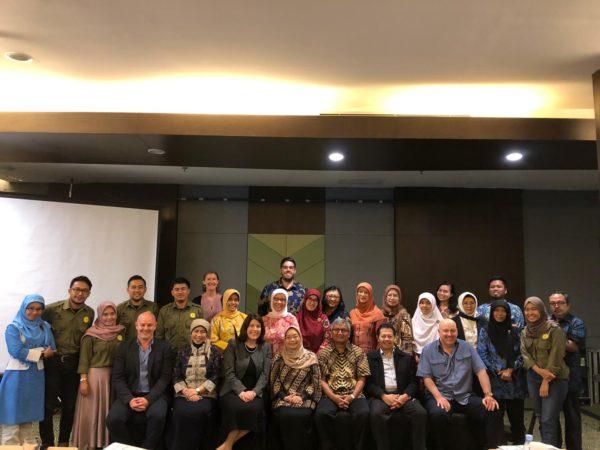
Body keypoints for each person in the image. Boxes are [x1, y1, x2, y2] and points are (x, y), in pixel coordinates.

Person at [417, 319, 503, 450]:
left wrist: (488, 395)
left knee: (492, 408)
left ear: (457, 331)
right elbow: (426, 378)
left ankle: (492, 447)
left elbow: (481, 371)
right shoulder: (428, 350)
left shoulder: (467, 347)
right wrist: (439, 397)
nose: (449, 334)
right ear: (439, 332)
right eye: (445, 331)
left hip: (465, 396)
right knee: (438, 414)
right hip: (440, 395)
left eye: (452, 331)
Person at [40, 275, 95, 447]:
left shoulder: (89, 313)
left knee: (70, 407)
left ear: (89, 293)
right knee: (47, 407)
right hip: (52, 363)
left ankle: (63, 443)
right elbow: (36, 326)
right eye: (76, 289)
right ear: (69, 290)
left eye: (84, 291)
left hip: (73, 364)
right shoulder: (51, 309)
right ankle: (48, 444)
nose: (80, 293)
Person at [106, 312, 173, 450]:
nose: (145, 328)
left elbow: (165, 378)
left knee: (158, 416)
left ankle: (147, 448)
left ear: (155, 326)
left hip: (155, 394)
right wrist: (130, 399)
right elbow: (118, 377)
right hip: (130, 394)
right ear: (136, 325)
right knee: (113, 419)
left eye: (149, 325)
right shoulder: (124, 347)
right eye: (142, 325)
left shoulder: (164, 347)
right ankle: (130, 448)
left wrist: (148, 399)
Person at [0, 295, 55, 445]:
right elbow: (16, 351)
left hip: (36, 377)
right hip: (16, 377)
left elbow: (52, 348)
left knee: (28, 422)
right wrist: (42, 353)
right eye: (30, 308)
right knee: (12, 421)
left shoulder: (44, 326)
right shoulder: (13, 328)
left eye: (39, 309)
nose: (34, 312)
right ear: (23, 308)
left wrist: (33, 352)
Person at [72, 301, 125, 450]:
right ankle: (90, 443)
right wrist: (83, 380)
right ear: (100, 316)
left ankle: (106, 443)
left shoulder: (121, 332)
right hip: (95, 378)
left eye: (112, 314)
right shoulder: (90, 334)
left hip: (114, 378)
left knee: (109, 412)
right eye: (105, 314)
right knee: (93, 413)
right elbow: (84, 359)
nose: (109, 317)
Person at [366, 323, 427, 450]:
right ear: (378, 338)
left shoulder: (406, 358)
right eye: (383, 336)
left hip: (403, 395)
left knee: (420, 413)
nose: (387, 339)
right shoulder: (369, 358)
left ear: (395, 338)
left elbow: (414, 382)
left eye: (390, 336)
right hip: (381, 396)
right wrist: (383, 396)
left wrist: (404, 396)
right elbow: (369, 384)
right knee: (376, 414)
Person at [315, 317, 370, 450]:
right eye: (336, 330)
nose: (340, 333)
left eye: (344, 330)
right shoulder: (323, 353)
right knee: (321, 415)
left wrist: (352, 396)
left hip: (354, 394)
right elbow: (322, 379)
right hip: (330, 394)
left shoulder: (358, 352)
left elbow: (362, 378)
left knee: (363, 414)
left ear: (349, 333)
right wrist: (334, 397)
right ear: (331, 332)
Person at [218, 314, 272, 450]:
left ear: (262, 329)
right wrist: (241, 391)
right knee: (236, 408)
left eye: (258, 326)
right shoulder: (233, 344)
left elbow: (265, 375)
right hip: (232, 389)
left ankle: (226, 446)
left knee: (255, 409)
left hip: (256, 390)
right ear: (245, 327)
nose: (255, 329)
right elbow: (229, 372)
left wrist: (254, 392)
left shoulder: (266, 346)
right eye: (251, 326)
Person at [521, 296, 569, 447]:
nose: (530, 313)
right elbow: (524, 354)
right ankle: (553, 446)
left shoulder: (554, 329)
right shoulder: (525, 331)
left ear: (541, 310)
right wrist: (538, 371)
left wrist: (545, 380)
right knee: (542, 417)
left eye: (534, 309)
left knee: (548, 419)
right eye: (527, 309)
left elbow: (557, 356)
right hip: (533, 377)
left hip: (555, 378)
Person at [477, 300, 526, 445]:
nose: (500, 314)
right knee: (495, 420)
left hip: (514, 381)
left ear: (508, 313)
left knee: (517, 419)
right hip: (495, 381)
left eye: (503, 311)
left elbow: (523, 353)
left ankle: (519, 445)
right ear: (492, 313)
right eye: (496, 311)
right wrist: (499, 371)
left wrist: (510, 369)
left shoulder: (516, 331)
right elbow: (482, 353)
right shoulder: (485, 330)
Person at [170, 318, 220, 450]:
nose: (199, 335)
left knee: (201, 412)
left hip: (206, 395)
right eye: (196, 331)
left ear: (207, 334)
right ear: (191, 333)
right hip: (184, 394)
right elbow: (176, 375)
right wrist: (186, 391)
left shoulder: (214, 351)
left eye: (203, 332)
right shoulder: (183, 351)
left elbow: (215, 376)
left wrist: (197, 391)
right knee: (180, 413)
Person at [270, 326, 322, 450]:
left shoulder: (311, 357)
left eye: (295, 336)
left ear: (300, 338)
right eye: (288, 337)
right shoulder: (279, 357)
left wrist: (302, 397)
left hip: (305, 399)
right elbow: (274, 381)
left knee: (303, 416)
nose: (292, 340)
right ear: (285, 340)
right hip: (283, 398)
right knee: (284, 415)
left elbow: (315, 382)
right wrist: (286, 397)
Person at [549, 291, 585, 450]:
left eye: (560, 303)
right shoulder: (546, 321)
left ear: (568, 305)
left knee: (572, 419)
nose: (556, 306)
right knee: (550, 419)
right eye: (552, 303)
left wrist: (556, 333)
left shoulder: (576, 322)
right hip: (550, 377)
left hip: (570, 377)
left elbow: (574, 347)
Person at [156, 277, 203, 356]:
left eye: (183, 289)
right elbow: (159, 336)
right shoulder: (164, 311)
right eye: (177, 289)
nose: (180, 292)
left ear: (188, 291)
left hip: (191, 355)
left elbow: (203, 335)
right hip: (169, 355)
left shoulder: (198, 310)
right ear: (172, 292)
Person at [116, 275, 159, 340]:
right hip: (126, 345)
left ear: (145, 289)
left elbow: (157, 331)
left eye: (140, 287)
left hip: (147, 345)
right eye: (133, 287)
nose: (137, 290)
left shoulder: (153, 307)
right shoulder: (120, 308)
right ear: (128, 289)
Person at [349, 282, 385, 353]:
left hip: (371, 355)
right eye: (360, 292)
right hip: (353, 355)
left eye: (366, 292)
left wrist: (376, 356)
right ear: (357, 294)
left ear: (370, 295)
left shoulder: (377, 313)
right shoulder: (352, 313)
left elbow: (381, 338)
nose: (363, 294)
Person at [263, 288, 300, 354]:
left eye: (283, 299)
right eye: (276, 299)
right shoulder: (264, 319)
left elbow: (297, 341)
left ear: (287, 301)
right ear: (271, 300)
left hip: (286, 357)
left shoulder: (291, 319)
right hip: (265, 357)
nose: (279, 302)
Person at [381, 284, 414, 354]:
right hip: (381, 354)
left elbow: (407, 339)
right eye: (389, 295)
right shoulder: (380, 314)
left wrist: (405, 357)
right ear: (385, 297)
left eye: (395, 295)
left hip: (399, 354)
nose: (392, 298)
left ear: (399, 298)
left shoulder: (404, 315)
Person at [297, 289, 332, 353]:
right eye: (310, 299)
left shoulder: (323, 318)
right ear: (305, 300)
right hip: (299, 354)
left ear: (319, 303)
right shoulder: (297, 318)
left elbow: (328, 338)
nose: (312, 302)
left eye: (315, 300)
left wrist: (318, 354)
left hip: (318, 355)